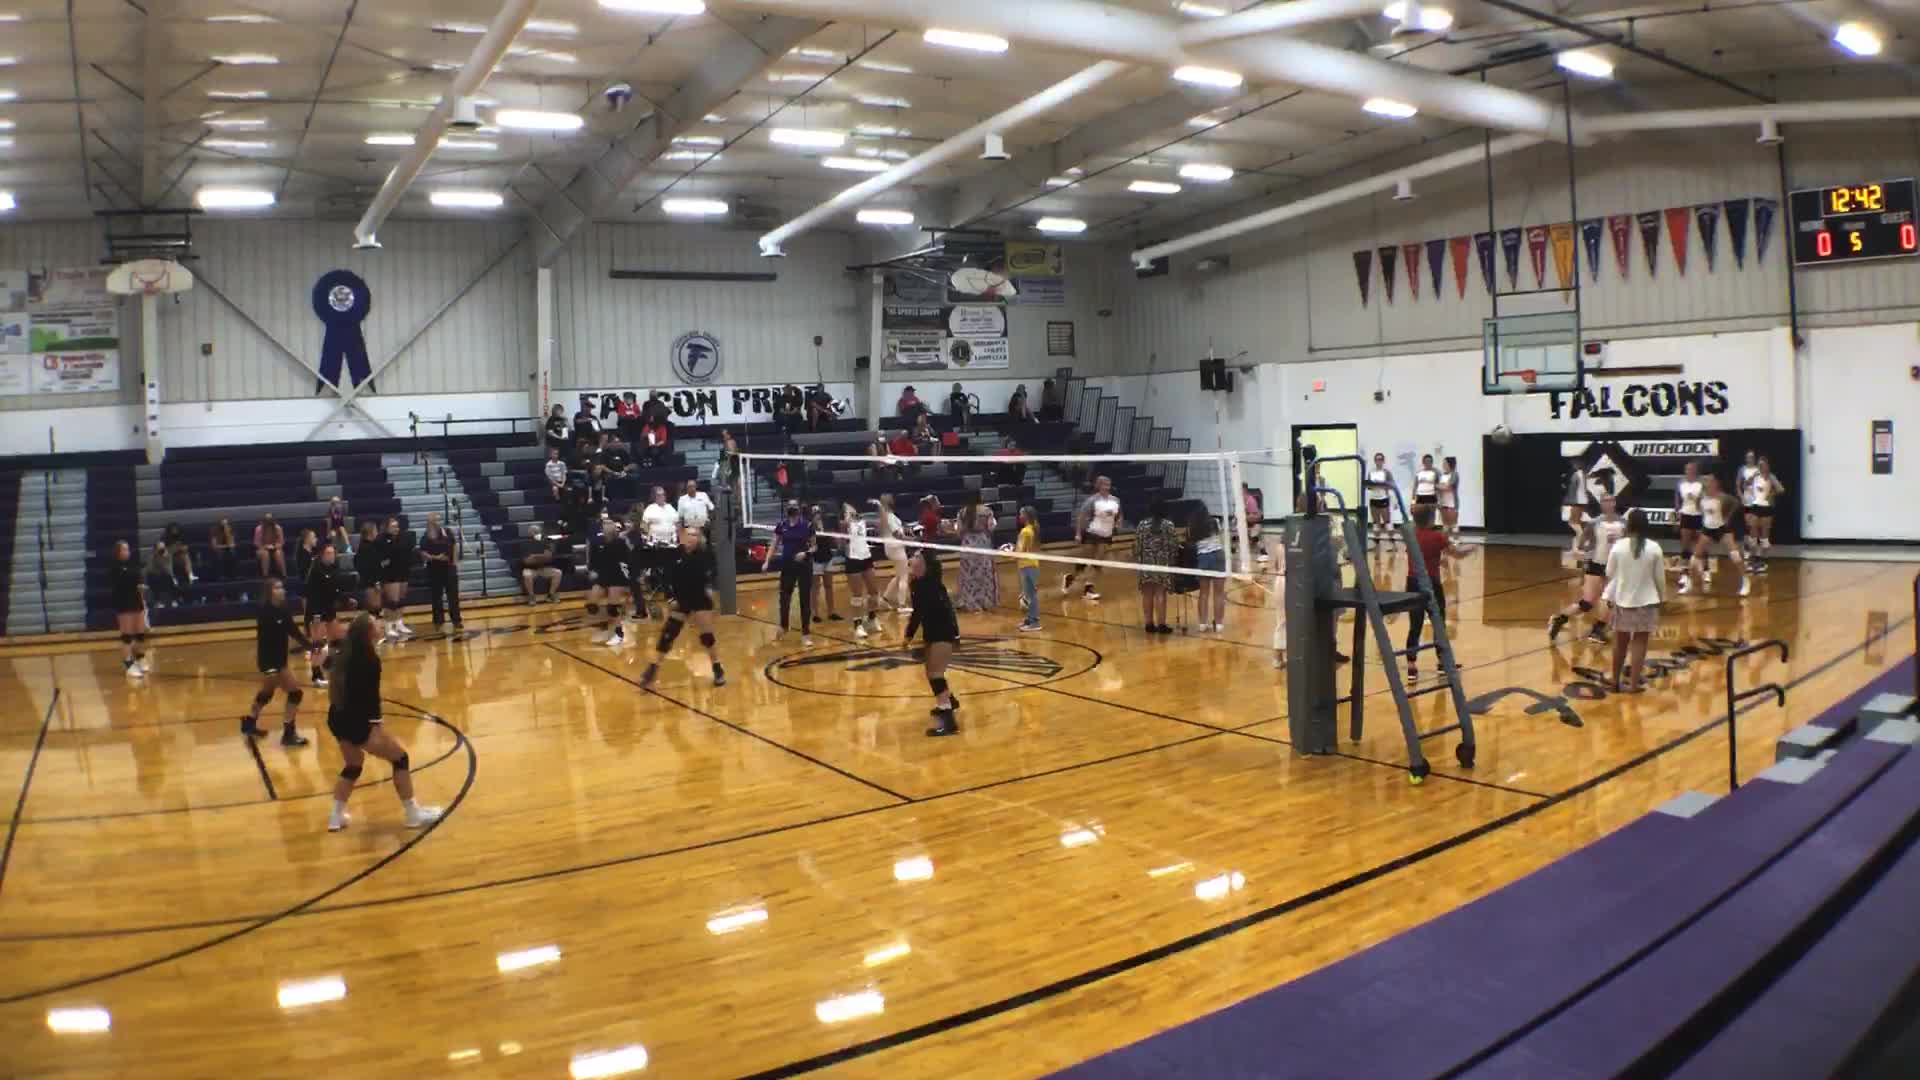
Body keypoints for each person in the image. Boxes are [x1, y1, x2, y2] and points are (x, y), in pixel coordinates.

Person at [323, 613, 444, 832]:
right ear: (369, 632)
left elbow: (327, 664)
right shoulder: (369, 660)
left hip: (336, 718)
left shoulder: (345, 654)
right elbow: (370, 698)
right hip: (357, 721)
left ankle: (335, 817)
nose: (380, 624)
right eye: (375, 622)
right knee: (400, 758)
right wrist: (376, 727)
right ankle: (412, 814)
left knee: (353, 765)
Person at [641, 526, 727, 689]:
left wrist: (710, 588)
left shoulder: (706, 555)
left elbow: (713, 574)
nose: (692, 538)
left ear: (699, 538)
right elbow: (666, 578)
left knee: (707, 637)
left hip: (700, 598)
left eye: (695, 535)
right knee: (668, 633)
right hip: (681, 599)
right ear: (682, 537)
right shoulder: (675, 555)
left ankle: (717, 668)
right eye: (689, 534)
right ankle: (652, 669)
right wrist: (671, 597)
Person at [1403, 505, 1473, 680]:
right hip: (1430, 584)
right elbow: (1457, 554)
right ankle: (1442, 663)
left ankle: (1411, 666)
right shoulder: (1437, 537)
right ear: (1431, 519)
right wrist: (1471, 549)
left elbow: (1416, 554)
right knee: (1438, 624)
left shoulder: (1411, 535)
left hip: (1412, 583)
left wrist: (1436, 559)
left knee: (1415, 625)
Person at [242, 578, 313, 747]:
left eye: (282, 587)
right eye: (278, 588)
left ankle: (249, 723)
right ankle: (288, 733)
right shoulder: (265, 612)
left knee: (269, 693)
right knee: (294, 693)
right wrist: (271, 667)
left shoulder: (283, 610)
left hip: (280, 660)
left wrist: (309, 645)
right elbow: (266, 640)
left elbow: (293, 631)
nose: (282, 590)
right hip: (269, 660)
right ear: (270, 592)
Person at [1603, 509, 1666, 692]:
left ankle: (1615, 681)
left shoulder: (1618, 546)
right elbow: (1659, 579)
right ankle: (1633, 685)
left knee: (1619, 642)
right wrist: (1662, 599)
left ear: (1628, 525)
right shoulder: (1654, 548)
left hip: (1622, 601)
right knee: (1640, 643)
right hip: (1647, 602)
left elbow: (1609, 573)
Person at [1549, 493, 1624, 644]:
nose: (1608, 503)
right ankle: (1560, 619)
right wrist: (1585, 553)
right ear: (1601, 504)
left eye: (1610, 500)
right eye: (1604, 501)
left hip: (1615, 566)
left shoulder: (1623, 523)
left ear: (1614, 503)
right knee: (1588, 603)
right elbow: (1582, 544)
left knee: (1612, 601)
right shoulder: (1595, 523)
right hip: (1596, 564)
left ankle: (1597, 631)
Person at [905, 549, 962, 737]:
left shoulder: (926, 585)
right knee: (931, 672)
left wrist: (908, 636)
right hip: (934, 633)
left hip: (941, 633)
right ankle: (948, 701)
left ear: (925, 566)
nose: (911, 559)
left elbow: (918, 614)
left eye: (916, 557)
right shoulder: (921, 583)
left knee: (936, 674)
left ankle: (949, 721)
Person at [1689, 474, 1749, 598]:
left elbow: (1736, 503)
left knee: (1735, 554)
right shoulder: (1702, 497)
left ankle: (1746, 581)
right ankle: (1690, 582)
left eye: (1711, 482)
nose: (1708, 484)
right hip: (1707, 529)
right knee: (1694, 558)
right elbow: (1698, 507)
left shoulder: (1722, 497)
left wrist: (1727, 517)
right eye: (1707, 482)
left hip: (1722, 528)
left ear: (1716, 484)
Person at [1062, 475, 1121, 601]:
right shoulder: (1092, 501)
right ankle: (1070, 578)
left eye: (1108, 484)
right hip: (1092, 533)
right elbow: (1081, 517)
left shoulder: (1115, 500)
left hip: (1106, 536)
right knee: (1084, 563)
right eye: (1104, 484)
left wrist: (1117, 523)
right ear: (1098, 486)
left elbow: (1119, 515)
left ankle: (1088, 591)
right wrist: (1078, 534)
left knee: (1097, 564)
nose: (1106, 486)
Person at [765, 500, 815, 645]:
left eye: (795, 507)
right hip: (787, 566)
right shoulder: (782, 525)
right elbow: (774, 544)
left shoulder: (807, 525)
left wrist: (805, 553)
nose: (792, 510)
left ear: (799, 509)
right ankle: (783, 626)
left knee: (805, 599)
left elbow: (814, 547)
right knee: (784, 598)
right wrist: (767, 561)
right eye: (790, 507)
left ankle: (806, 633)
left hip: (804, 566)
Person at [1133, 499, 1179, 634]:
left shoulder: (1142, 524)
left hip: (1145, 564)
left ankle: (1148, 624)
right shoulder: (1168, 525)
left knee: (1147, 594)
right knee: (1160, 594)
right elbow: (1174, 546)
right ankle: (1162, 624)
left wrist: (1139, 560)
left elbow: (1137, 546)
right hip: (1162, 564)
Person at [586, 518, 633, 648]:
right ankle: (605, 627)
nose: (607, 528)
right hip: (602, 574)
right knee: (591, 604)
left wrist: (629, 579)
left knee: (612, 606)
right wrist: (592, 570)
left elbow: (628, 560)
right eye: (605, 525)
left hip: (617, 574)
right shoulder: (597, 542)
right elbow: (593, 560)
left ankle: (619, 634)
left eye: (609, 525)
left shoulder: (620, 542)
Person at [841, 499, 882, 639]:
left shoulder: (863, 521)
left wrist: (879, 507)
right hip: (853, 559)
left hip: (866, 557)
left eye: (851, 509)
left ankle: (871, 619)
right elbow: (842, 542)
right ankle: (857, 625)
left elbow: (878, 525)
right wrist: (847, 522)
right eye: (847, 510)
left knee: (874, 591)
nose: (851, 512)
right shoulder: (843, 524)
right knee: (857, 595)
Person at [304, 541, 342, 685]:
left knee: (337, 639)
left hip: (329, 608)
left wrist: (344, 599)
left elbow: (335, 588)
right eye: (328, 553)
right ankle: (316, 675)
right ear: (321, 555)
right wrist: (315, 616)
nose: (331, 556)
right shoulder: (316, 570)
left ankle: (330, 664)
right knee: (318, 643)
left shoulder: (334, 567)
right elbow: (310, 594)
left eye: (333, 553)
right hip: (316, 610)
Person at [110, 540, 149, 678]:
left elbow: (138, 579)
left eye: (128, 549)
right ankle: (128, 664)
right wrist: (135, 582)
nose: (127, 552)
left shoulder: (132, 565)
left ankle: (140, 658)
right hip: (123, 602)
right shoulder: (114, 567)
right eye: (124, 550)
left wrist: (141, 587)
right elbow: (122, 583)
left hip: (136, 601)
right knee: (127, 635)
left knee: (140, 633)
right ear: (118, 552)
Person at [954, 496, 999, 613]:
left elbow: (959, 531)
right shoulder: (987, 511)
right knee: (984, 574)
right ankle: (986, 603)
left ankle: (970, 603)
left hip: (968, 545)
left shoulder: (962, 512)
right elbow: (991, 527)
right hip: (982, 543)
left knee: (968, 576)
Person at [420, 512, 462, 633]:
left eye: (439, 519)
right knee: (436, 597)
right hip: (434, 569)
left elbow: (454, 546)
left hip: (449, 569)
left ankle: (456, 620)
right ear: (430, 522)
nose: (438, 522)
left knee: (453, 596)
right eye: (435, 520)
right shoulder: (426, 536)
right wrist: (435, 557)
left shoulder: (447, 532)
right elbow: (423, 553)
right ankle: (438, 622)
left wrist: (454, 562)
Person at [379, 515, 417, 640]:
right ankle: (388, 626)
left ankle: (399, 623)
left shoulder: (403, 538)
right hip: (390, 573)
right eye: (393, 526)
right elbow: (382, 557)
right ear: (387, 528)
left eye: (397, 526)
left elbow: (407, 550)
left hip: (403, 570)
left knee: (401, 598)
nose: (396, 529)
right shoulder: (382, 539)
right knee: (392, 601)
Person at [1189, 508, 1226, 633]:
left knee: (1204, 593)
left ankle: (1202, 624)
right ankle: (1219, 624)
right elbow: (1220, 536)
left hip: (1203, 557)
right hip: (1218, 555)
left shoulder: (1194, 526)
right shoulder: (1215, 522)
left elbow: (1192, 543)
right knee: (1219, 593)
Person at [1748, 455, 1784, 573]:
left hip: (1766, 507)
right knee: (1753, 533)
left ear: (1767, 466)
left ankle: (1763, 560)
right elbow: (1746, 484)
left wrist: (1771, 494)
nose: (1761, 467)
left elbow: (1781, 489)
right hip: (1755, 506)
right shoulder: (1755, 476)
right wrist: (1753, 476)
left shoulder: (1770, 477)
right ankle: (1754, 558)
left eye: (1763, 465)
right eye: (1759, 465)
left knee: (1764, 535)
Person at [1673, 460, 1705, 584]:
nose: (1689, 471)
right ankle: (1684, 573)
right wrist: (1676, 519)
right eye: (1687, 469)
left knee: (1700, 545)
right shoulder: (1680, 483)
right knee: (1685, 546)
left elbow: (1705, 500)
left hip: (1698, 516)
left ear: (1696, 470)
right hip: (1685, 515)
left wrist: (1697, 501)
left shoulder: (1701, 483)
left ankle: (1705, 571)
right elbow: (1677, 502)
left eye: (1692, 469)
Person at [877, 493, 909, 614]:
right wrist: (910, 540)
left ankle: (884, 599)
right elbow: (897, 534)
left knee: (899, 575)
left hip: (891, 547)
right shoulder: (889, 516)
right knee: (904, 576)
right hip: (896, 547)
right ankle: (902, 605)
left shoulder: (885, 516)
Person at [809, 505, 841, 621]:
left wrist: (836, 545)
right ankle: (815, 613)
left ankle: (831, 611)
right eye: (815, 513)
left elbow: (832, 538)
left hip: (828, 557)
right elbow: (811, 543)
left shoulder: (826, 524)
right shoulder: (810, 527)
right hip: (816, 559)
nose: (817, 515)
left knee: (829, 585)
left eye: (818, 513)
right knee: (815, 587)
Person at [1014, 506, 1042, 632]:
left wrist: (1006, 551)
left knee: (1030, 595)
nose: (1019, 517)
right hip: (1032, 564)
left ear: (1026, 517)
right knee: (1029, 594)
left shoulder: (1025, 531)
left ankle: (1034, 622)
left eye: (1021, 514)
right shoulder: (1033, 529)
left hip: (1027, 565)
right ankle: (1029, 619)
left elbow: (1019, 551)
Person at [520, 529, 565, 604]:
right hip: (530, 569)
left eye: (538, 532)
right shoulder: (524, 544)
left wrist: (535, 556)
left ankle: (551, 595)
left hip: (544, 568)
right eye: (534, 532)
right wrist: (541, 557)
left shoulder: (544, 543)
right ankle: (531, 597)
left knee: (558, 573)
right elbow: (527, 561)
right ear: (530, 534)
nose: (536, 534)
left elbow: (548, 557)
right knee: (527, 575)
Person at [353, 522, 384, 618]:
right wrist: (376, 582)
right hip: (371, 582)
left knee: (376, 609)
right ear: (370, 532)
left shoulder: (367, 546)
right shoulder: (367, 548)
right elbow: (371, 567)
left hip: (370, 581)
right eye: (375, 530)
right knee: (374, 608)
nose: (377, 532)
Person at [1365, 453, 1394, 550]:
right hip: (1373, 499)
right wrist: (1373, 485)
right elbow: (1368, 486)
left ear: (1383, 461)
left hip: (1383, 499)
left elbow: (1391, 485)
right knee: (1375, 522)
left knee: (1387, 522)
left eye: (1381, 459)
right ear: (1375, 461)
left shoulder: (1386, 472)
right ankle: (1376, 544)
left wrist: (1381, 485)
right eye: (1377, 459)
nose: (1379, 461)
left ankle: (1392, 544)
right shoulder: (1371, 472)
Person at [145, 541, 180, 607]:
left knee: (169, 578)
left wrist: (164, 560)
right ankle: (157, 602)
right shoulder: (151, 557)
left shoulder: (168, 556)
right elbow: (149, 570)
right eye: (160, 548)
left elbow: (169, 571)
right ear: (155, 550)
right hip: (154, 578)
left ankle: (173, 600)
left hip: (166, 578)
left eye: (163, 548)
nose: (162, 550)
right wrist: (157, 558)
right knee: (153, 578)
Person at [254, 513, 287, 578]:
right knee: (265, 554)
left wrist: (276, 546)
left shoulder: (278, 528)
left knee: (278, 553)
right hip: (262, 549)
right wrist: (265, 547)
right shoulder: (259, 529)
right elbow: (256, 543)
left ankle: (283, 574)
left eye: (270, 521)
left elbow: (281, 542)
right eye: (267, 521)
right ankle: (265, 575)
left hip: (275, 548)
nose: (268, 523)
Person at [1437, 456, 1461, 538]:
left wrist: (1441, 486)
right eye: (1443, 463)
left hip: (1452, 503)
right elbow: (1440, 487)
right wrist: (1441, 486)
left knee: (1453, 525)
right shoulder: (1442, 475)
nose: (1443, 465)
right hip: (1443, 502)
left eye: (1445, 463)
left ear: (1450, 464)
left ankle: (1456, 542)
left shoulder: (1454, 474)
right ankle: (1445, 543)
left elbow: (1448, 487)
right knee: (1445, 525)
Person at [209, 517, 238, 581]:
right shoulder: (214, 530)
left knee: (233, 553)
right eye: (223, 525)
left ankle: (233, 575)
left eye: (226, 524)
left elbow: (232, 544)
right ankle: (221, 575)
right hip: (218, 549)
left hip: (226, 548)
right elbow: (214, 546)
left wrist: (227, 532)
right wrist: (226, 546)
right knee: (220, 554)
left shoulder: (230, 530)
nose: (225, 526)